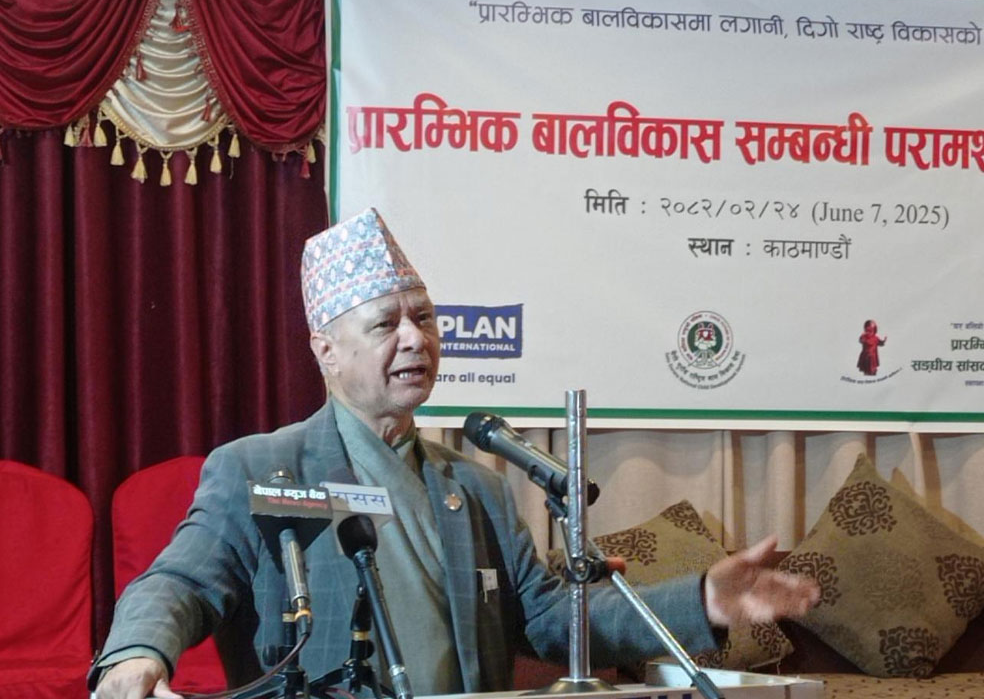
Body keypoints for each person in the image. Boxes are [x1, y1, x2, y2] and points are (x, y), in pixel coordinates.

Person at [90, 208, 819, 699]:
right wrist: (136, 656)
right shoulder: (259, 469)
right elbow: (180, 582)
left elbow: (550, 620)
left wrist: (704, 600)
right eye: (386, 325)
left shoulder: (476, 487)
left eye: (425, 318)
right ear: (326, 350)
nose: (416, 338)